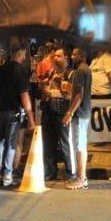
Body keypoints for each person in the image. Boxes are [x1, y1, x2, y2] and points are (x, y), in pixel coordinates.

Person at [0, 40, 36, 187]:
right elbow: (25, 97)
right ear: (19, 54)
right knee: (11, 144)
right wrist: (31, 119)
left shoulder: (0, 69)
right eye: (24, 54)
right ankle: (7, 175)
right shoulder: (21, 71)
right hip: (13, 113)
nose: (25, 57)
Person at [39, 46, 74, 181]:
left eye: (59, 56)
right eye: (54, 56)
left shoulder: (71, 74)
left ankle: (71, 172)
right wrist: (44, 87)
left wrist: (59, 83)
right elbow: (46, 87)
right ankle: (51, 172)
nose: (55, 58)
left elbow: (68, 94)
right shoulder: (52, 72)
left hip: (61, 112)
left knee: (65, 143)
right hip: (49, 111)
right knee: (48, 143)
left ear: (67, 57)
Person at [62, 46, 92, 190]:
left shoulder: (80, 71)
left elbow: (79, 95)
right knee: (80, 145)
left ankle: (81, 178)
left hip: (80, 114)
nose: (72, 57)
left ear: (81, 55)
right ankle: (81, 177)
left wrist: (70, 113)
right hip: (83, 113)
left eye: (74, 54)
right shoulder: (86, 69)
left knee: (79, 146)